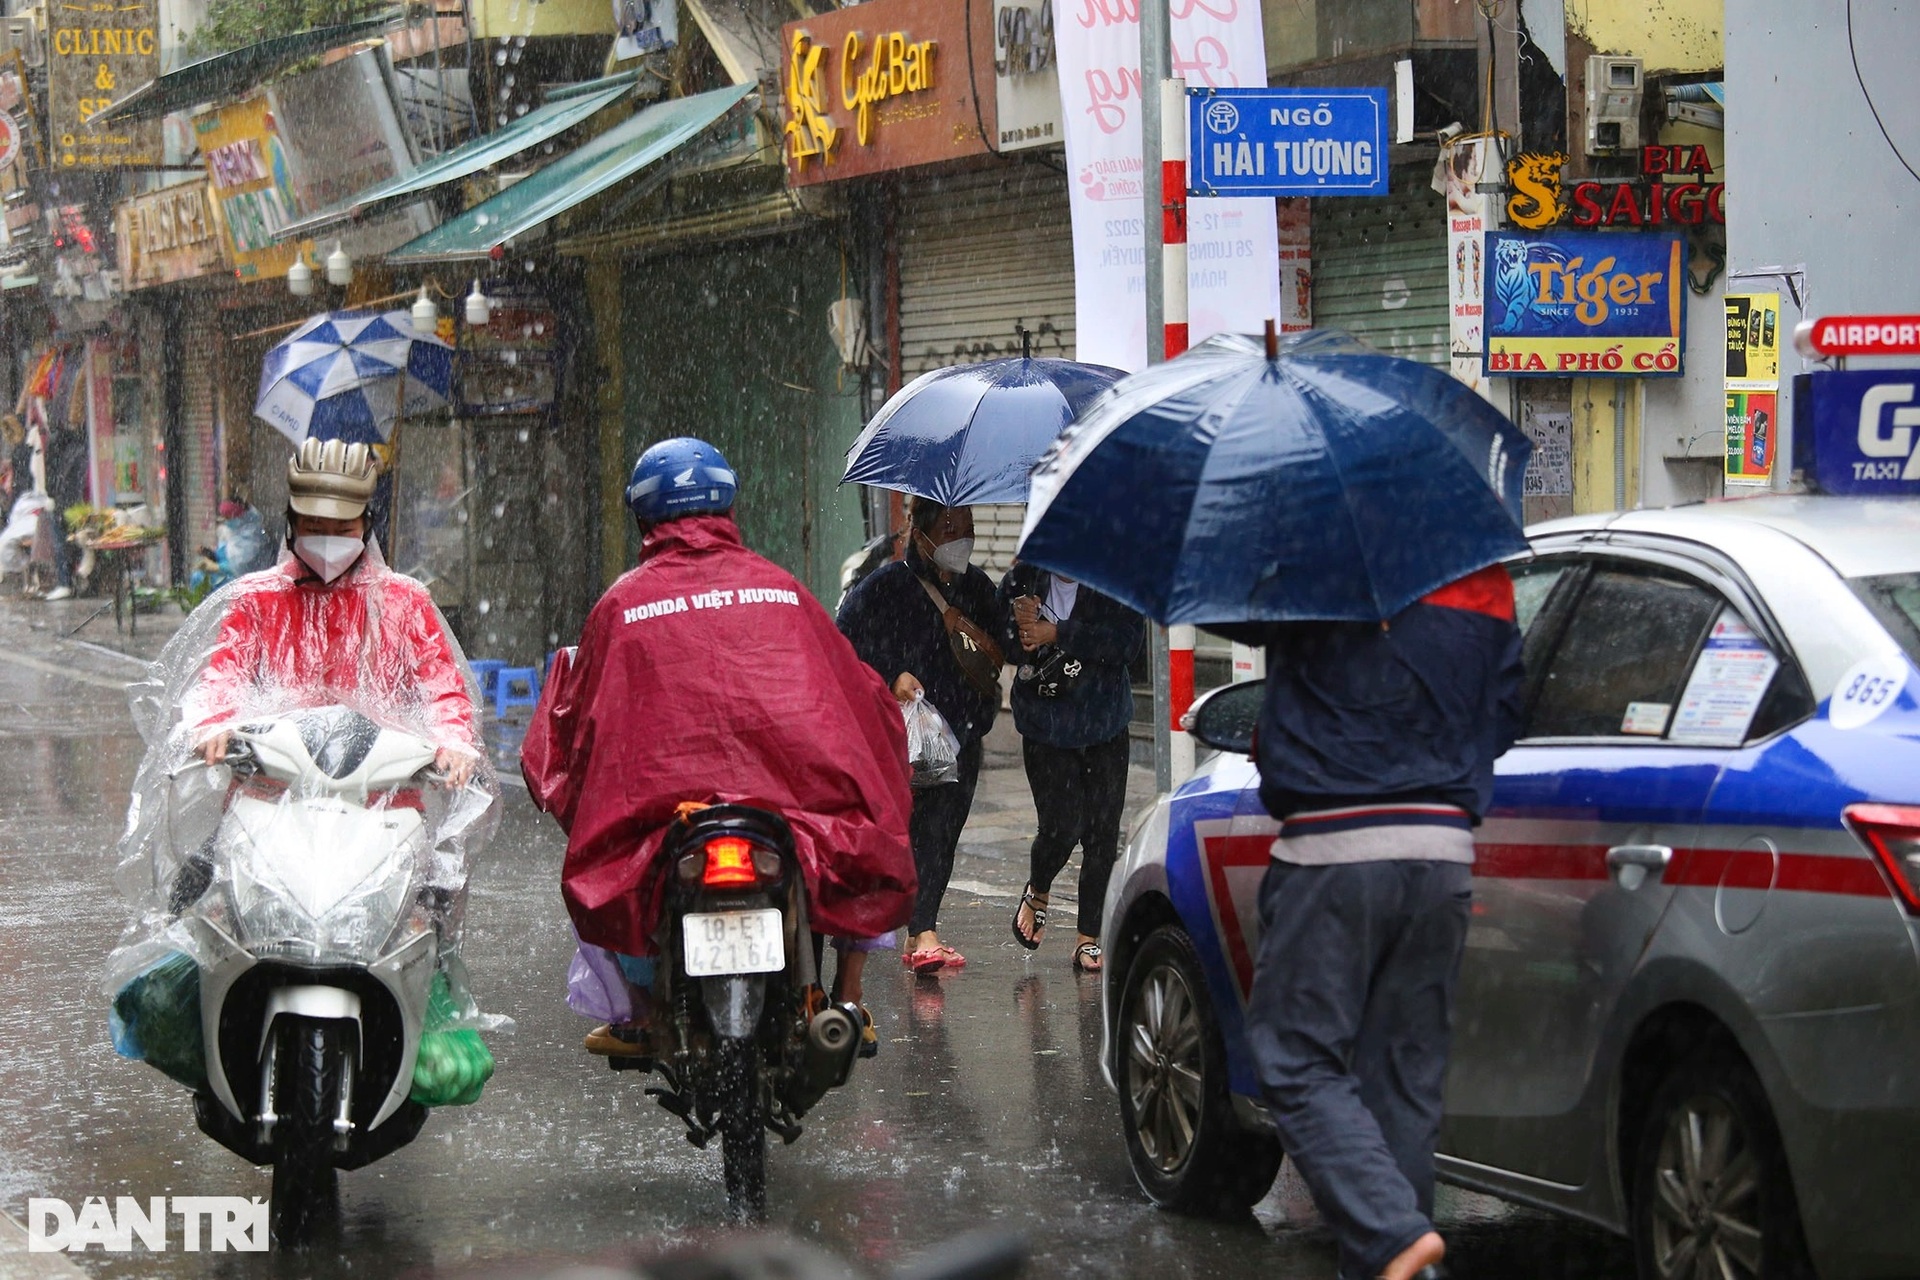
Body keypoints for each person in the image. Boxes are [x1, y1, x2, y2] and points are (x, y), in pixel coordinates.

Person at [521, 438, 914, 1058]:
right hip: (787, 813)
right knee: (864, 819)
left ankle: (644, 1013)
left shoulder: (619, 606)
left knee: (618, 865)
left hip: (671, 819)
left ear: (644, 518)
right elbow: (857, 701)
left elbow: (578, 728)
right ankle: (850, 994)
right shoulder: (783, 590)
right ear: (729, 509)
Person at [1217, 565, 1523, 1280]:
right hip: (1442, 852)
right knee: (1402, 1086)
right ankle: (1400, 1261)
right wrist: (1428, 745)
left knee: (1295, 1055)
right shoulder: (1481, 576)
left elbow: (1251, 641)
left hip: (1333, 847)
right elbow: (1506, 716)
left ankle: (1391, 1237)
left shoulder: (1314, 561)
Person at [186, 439, 479, 789]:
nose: (328, 541)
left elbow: (441, 687)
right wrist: (215, 722)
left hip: (381, 792)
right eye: (314, 529)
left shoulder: (403, 601)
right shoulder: (257, 599)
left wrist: (453, 740)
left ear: (365, 527)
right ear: (292, 526)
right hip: (274, 789)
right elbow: (226, 673)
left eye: (343, 531)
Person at [837, 498, 1001, 976]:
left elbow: (1003, 644)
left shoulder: (978, 588)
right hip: (902, 739)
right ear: (922, 532)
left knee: (943, 833)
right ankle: (916, 929)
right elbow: (843, 644)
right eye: (951, 528)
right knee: (911, 832)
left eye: (968, 528)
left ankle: (920, 928)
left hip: (962, 735)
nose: (961, 539)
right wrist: (891, 675)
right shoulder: (884, 587)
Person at [996, 561, 1144, 974]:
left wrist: (1059, 632)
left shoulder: (1113, 577)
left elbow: (1128, 645)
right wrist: (1019, 625)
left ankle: (1088, 937)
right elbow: (1004, 646)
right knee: (1060, 827)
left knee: (1102, 834)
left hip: (1104, 723)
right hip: (1045, 726)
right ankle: (1038, 888)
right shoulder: (1024, 578)